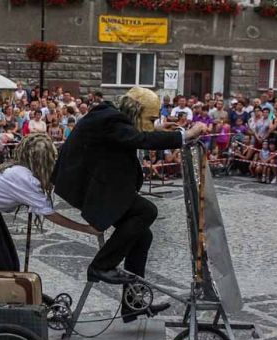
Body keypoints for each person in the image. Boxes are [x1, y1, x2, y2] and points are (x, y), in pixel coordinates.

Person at [53, 87, 207, 323]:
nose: (152, 124)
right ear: (136, 111)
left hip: (99, 183)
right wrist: (184, 136)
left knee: (142, 236)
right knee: (147, 211)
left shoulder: (114, 119)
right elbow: (138, 138)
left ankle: (133, 305)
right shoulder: (110, 119)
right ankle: (101, 265)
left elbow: (133, 133)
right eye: (151, 119)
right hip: (90, 186)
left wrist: (157, 128)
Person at [0, 133, 98, 271]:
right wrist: (86, 229)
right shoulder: (25, 177)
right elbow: (49, 214)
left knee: (5, 259)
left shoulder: (19, 170)